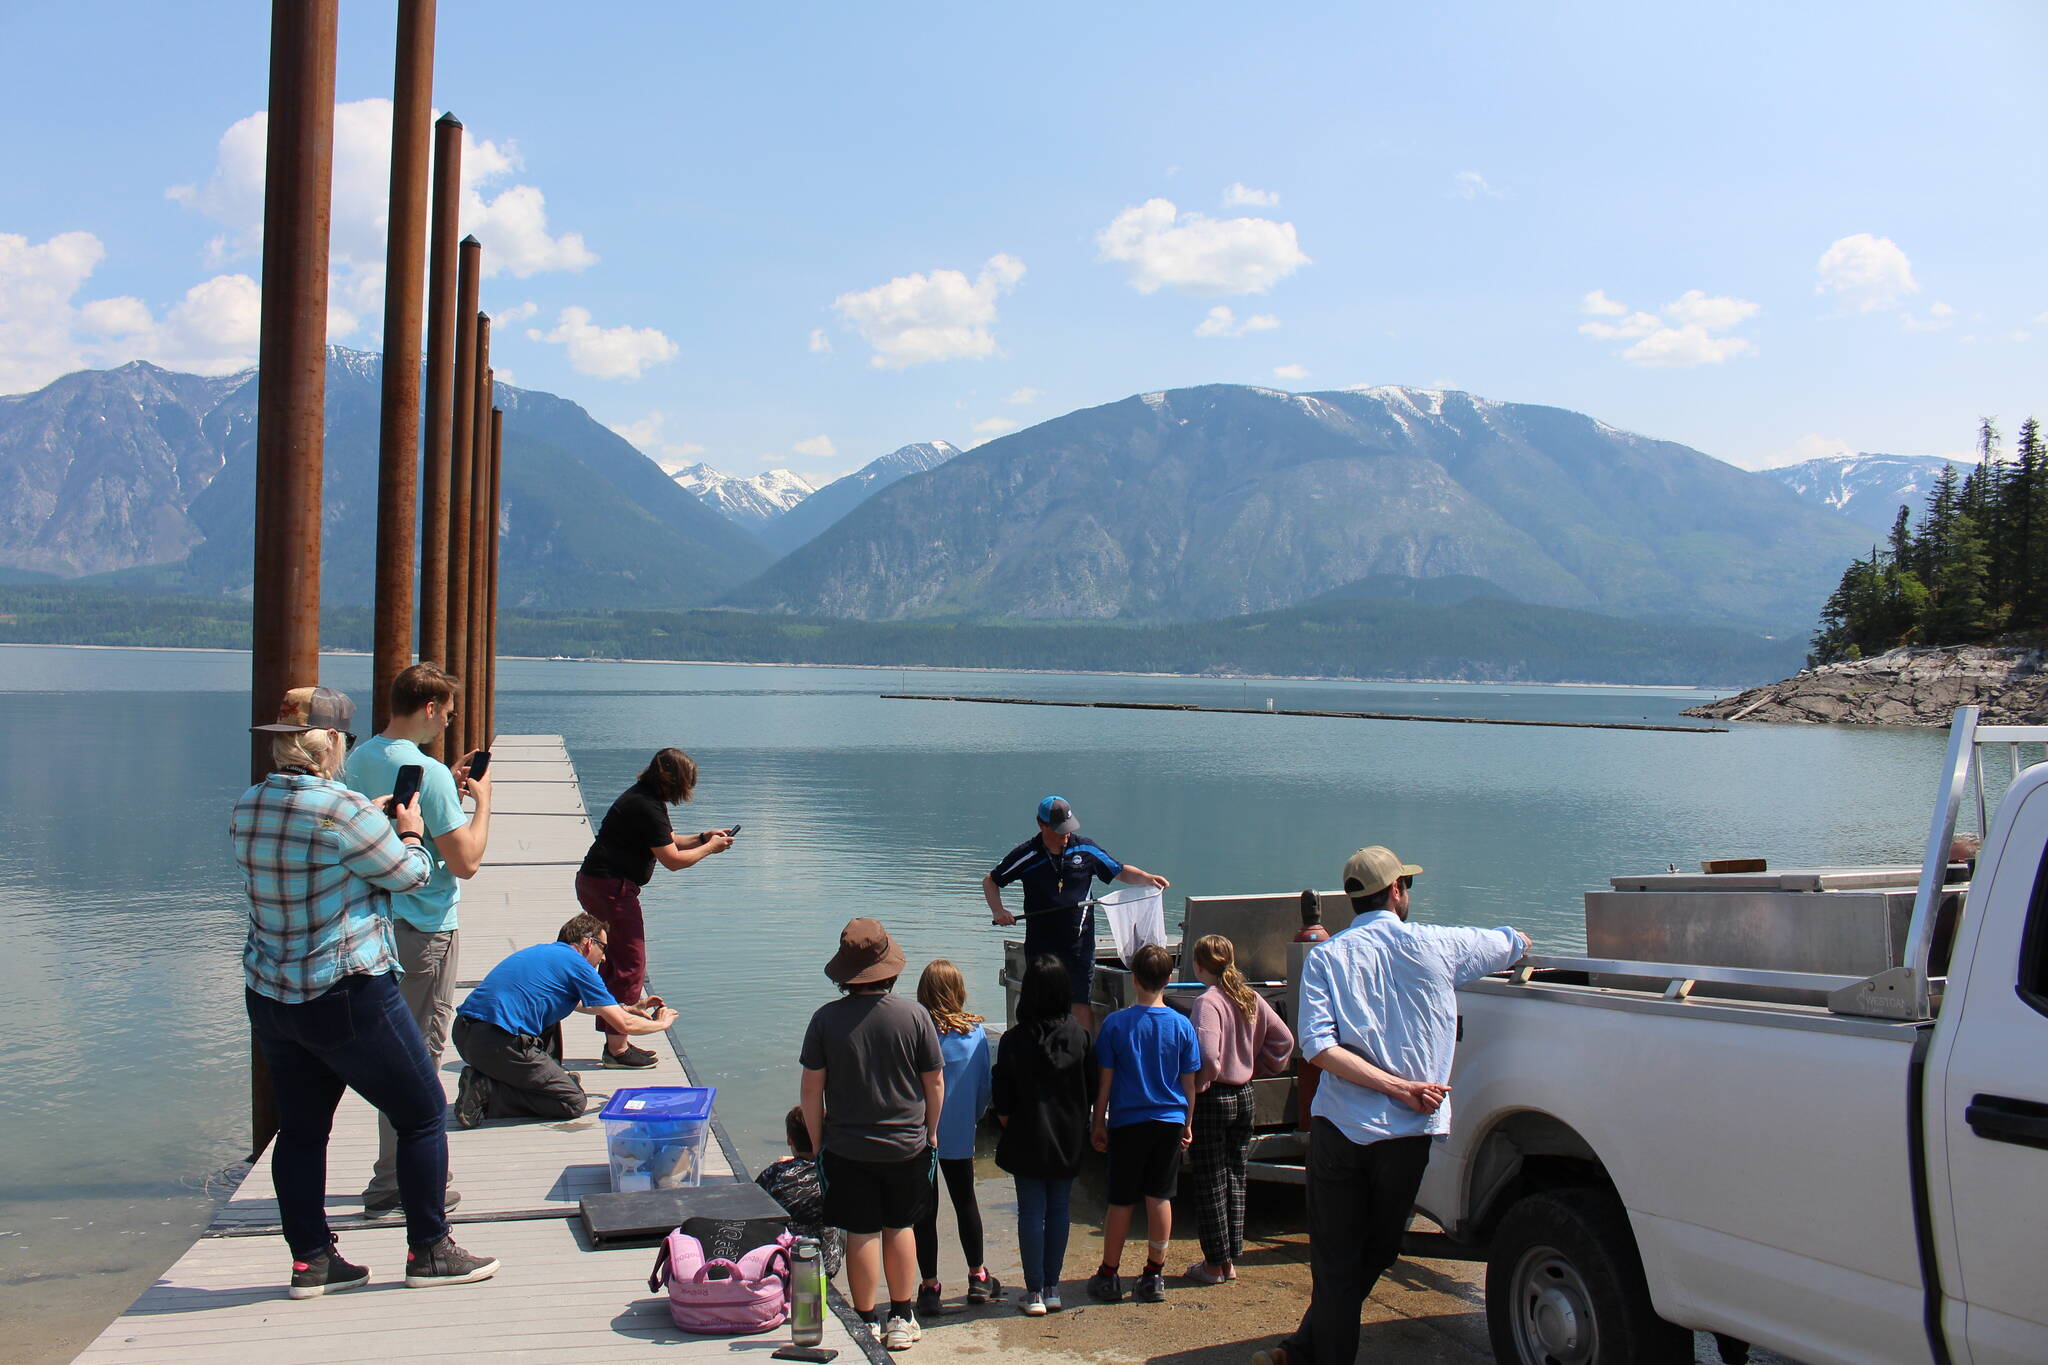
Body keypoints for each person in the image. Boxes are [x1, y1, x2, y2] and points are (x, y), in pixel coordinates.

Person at [231, 685, 498, 1298]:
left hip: (272, 993)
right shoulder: (343, 808)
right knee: (424, 1111)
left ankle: (312, 1262)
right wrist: (404, 831)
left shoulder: (251, 804)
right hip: (345, 990)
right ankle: (429, 1247)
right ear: (331, 744)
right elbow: (411, 874)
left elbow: (310, 852)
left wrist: (365, 822)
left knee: (302, 1130)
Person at [1252, 846, 1530, 1365]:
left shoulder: (1327, 957)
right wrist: (1402, 1089)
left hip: (1339, 1129)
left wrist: (1385, 1085)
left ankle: (1306, 1349)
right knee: (1379, 1249)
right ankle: (1303, 1349)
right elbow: (1511, 942)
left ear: (1353, 899)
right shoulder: (1438, 945)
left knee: (1336, 1261)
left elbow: (1316, 1047)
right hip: (1407, 1133)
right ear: (1397, 891)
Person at [342, 662, 494, 1217]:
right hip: (425, 927)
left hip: (371, 924)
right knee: (422, 1058)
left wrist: (444, 787)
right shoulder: (424, 772)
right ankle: (402, 1184)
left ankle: (393, 1177)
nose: (448, 723)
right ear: (429, 708)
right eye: (447, 713)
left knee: (391, 1054)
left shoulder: (358, 760)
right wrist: (483, 802)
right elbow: (467, 860)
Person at [799, 918, 943, 1352]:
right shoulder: (915, 1016)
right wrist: (931, 1132)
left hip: (846, 1147)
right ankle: (901, 1315)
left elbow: (810, 1090)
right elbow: (934, 1082)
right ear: (890, 968)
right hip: (906, 1144)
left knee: (860, 1233)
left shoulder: (825, 1020)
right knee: (900, 1227)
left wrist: (816, 1140)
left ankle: (865, 1320)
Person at [575, 748, 732, 1068]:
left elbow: (667, 839)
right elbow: (672, 860)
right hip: (612, 889)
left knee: (616, 962)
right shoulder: (645, 805)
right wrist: (710, 849)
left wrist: (703, 836)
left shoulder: (643, 798)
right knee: (630, 963)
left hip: (600, 883)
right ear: (673, 781)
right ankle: (617, 1050)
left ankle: (616, 1038)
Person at [448, 914, 677, 1126]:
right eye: (603, 948)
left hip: (465, 1033)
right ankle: (487, 1091)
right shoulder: (580, 966)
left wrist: (625, 1007)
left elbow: (574, 1003)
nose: (605, 958)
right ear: (589, 944)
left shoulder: (545, 952)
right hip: (497, 1042)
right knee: (572, 1102)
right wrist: (661, 1024)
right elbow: (624, 1026)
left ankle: (541, 1077)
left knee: (551, 1016)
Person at [983, 795, 1170, 1028]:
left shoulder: (1085, 848)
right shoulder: (1027, 855)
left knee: (1080, 1005)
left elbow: (1119, 871)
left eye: (1069, 828)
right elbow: (991, 881)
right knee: (1042, 1007)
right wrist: (998, 910)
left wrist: (1147, 878)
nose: (1066, 834)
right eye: (1060, 830)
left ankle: (1081, 1059)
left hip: (1079, 947)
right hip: (1041, 947)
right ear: (1042, 825)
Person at [1086, 942, 1200, 1306]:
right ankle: (1153, 1274)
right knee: (1160, 1196)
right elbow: (1189, 1084)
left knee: (1121, 1199)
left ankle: (1109, 1274)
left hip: (1128, 1121)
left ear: (1134, 979)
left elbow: (1105, 1081)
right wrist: (1188, 1123)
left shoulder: (1117, 1024)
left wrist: (1097, 1121)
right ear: (1170, 979)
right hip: (1168, 1120)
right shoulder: (1182, 1026)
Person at [1185, 934, 1294, 1285]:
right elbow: (1285, 1041)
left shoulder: (1208, 1002)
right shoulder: (1250, 996)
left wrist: (1202, 1082)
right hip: (1246, 1095)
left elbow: (1207, 1053)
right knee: (1235, 1174)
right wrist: (1258, 1066)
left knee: (1210, 1179)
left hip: (1215, 1097)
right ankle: (1230, 1257)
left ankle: (1213, 1264)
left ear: (1199, 966)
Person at [992, 953, 1094, 1317]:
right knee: (1060, 1210)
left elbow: (1001, 1099)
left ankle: (1033, 1290)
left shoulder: (1014, 1040)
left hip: (1026, 1137)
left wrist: (1011, 1124)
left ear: (1029, 994)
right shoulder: (1080, 1037)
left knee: (1031, 1213)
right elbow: (1091, 1091)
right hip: (1067, 1140)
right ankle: (1053, 1287)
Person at [911, 959, 999, 1317]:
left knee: (925, 1212)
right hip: (961, 1133)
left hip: (921, 1137)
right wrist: (972, 1120)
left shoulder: (918, 1032)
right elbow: (984, 1087)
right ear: (958, 991)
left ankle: (930, 1286)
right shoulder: (975, 1034)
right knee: (966, 1202)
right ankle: (977, 1276)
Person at [755, 1106, 844, 1277]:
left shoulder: (773, 1174)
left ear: (789, 1139)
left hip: (782, 1259)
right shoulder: (836, 1172)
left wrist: (783, 1166)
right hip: (826, 1264)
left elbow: (754, 1205)